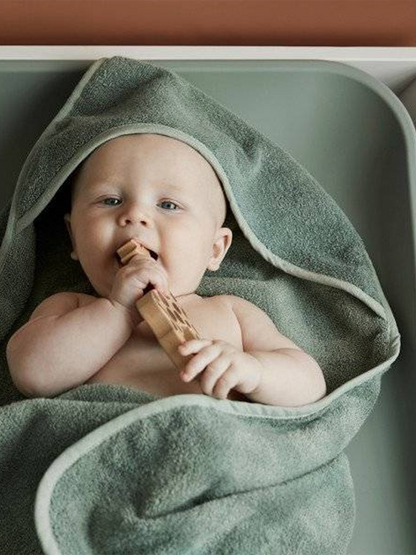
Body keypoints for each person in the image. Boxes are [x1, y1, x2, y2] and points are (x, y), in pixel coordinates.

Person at [6, 133, 326, 406]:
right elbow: (31, 376)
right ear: (74, 236)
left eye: (168, 205)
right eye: (110, 200)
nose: (136, 215)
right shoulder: (70, 308)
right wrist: (119, 310)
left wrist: (254, 372)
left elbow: (309, 382)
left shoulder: (231, 312)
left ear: (215, 250)